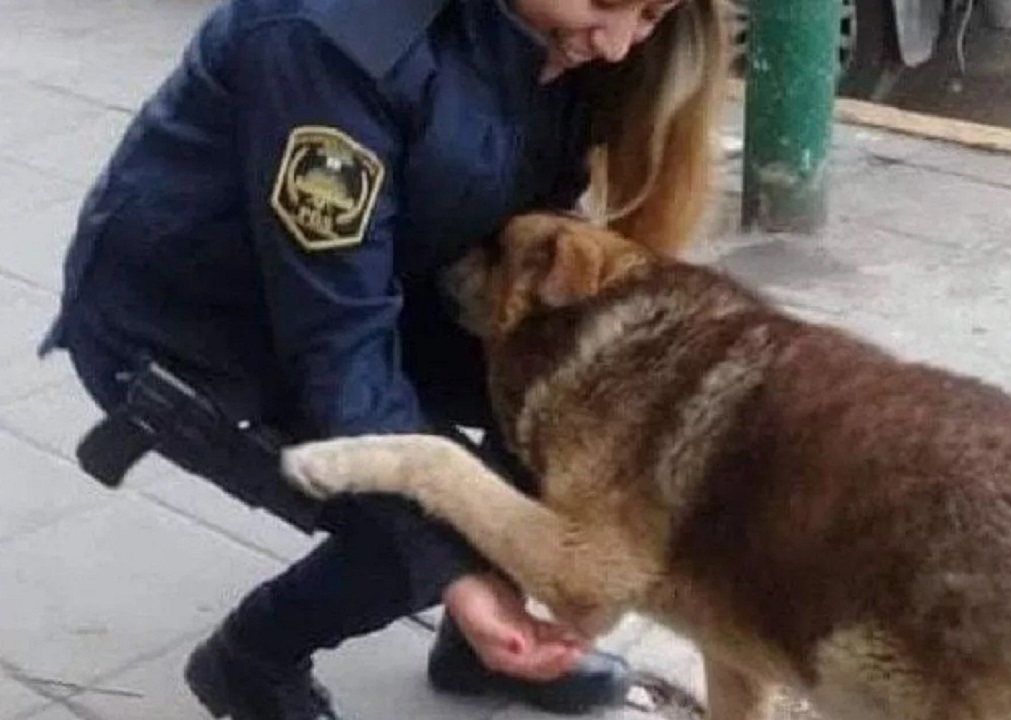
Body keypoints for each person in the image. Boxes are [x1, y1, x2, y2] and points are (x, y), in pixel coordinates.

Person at [35, 0, 729, 717]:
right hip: (197, 328)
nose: (619, 46)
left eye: (650, 15)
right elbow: (337, 347)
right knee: (420, 525)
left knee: (565, 404)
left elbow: (523, 225)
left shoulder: (553, 36)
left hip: (378, 276)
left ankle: (474, 649)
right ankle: (250, 661)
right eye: (608, 2)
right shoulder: (328, 40)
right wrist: (459, 562)